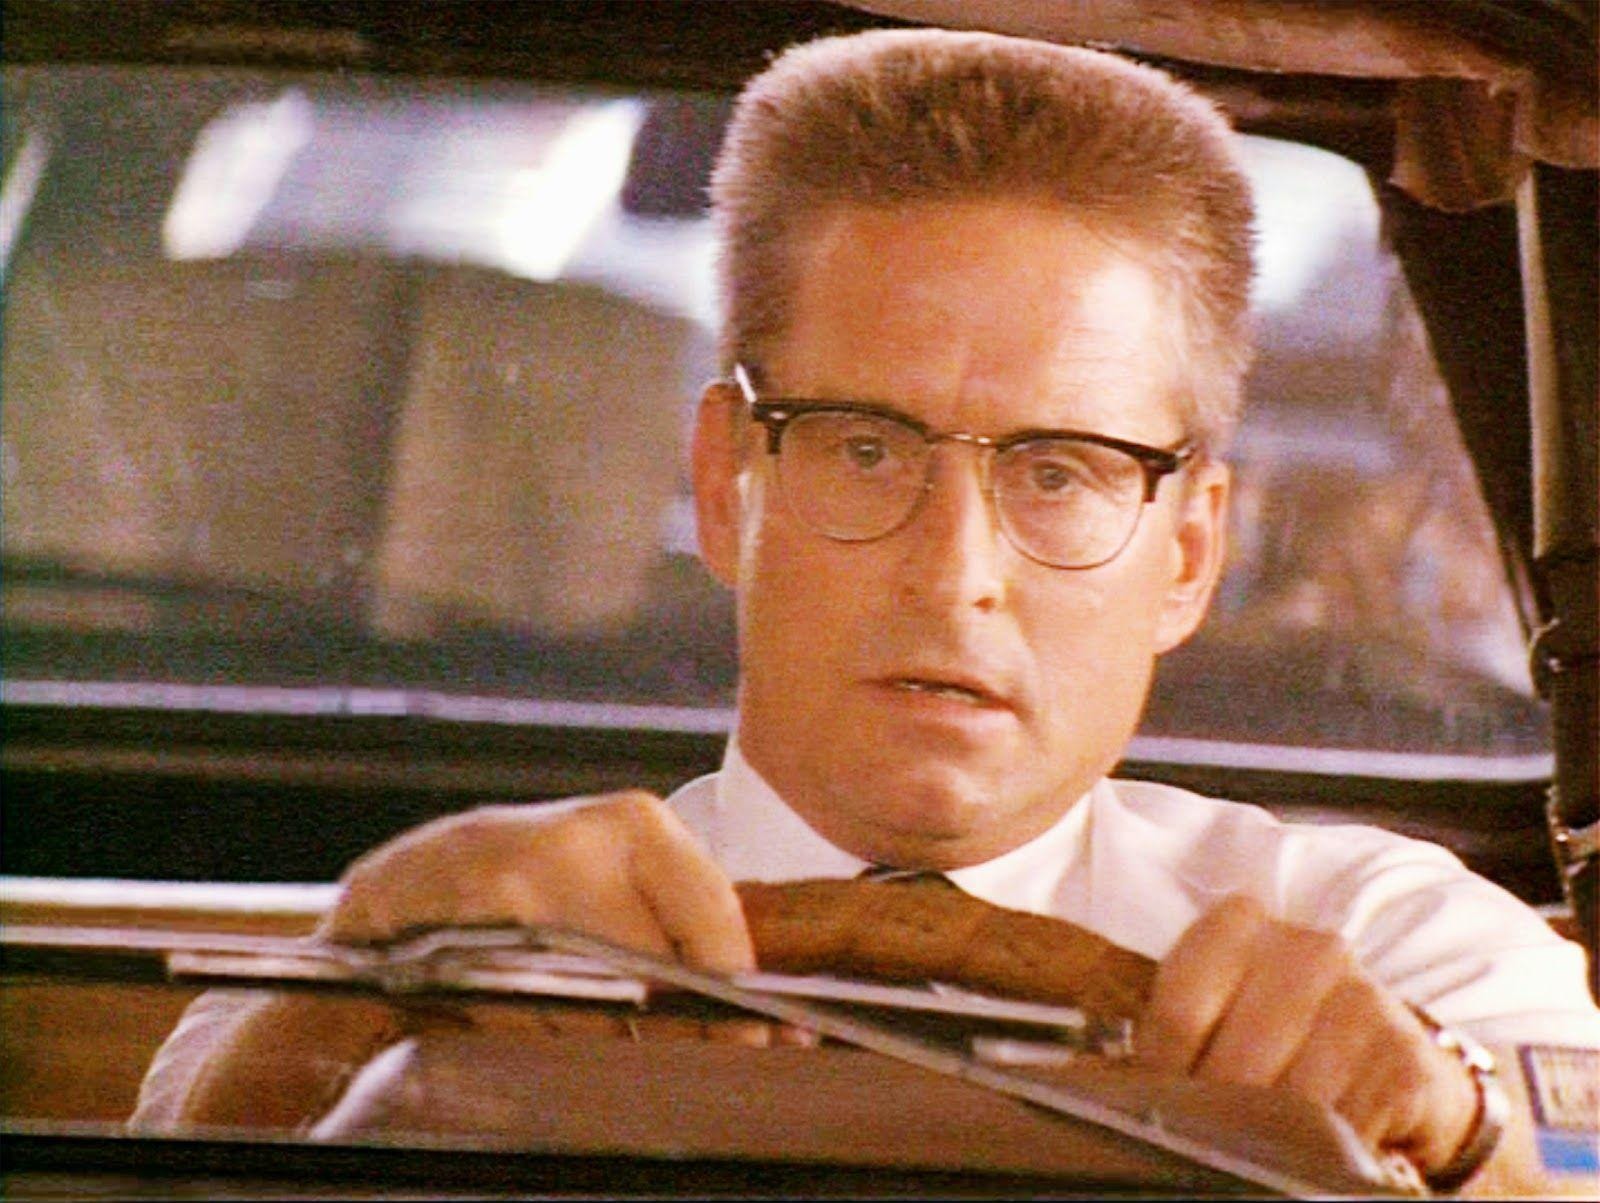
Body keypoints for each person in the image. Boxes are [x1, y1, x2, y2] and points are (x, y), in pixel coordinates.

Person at [133, 29, 1599, 1190]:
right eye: (865, 449)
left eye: (1061, 471)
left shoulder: (1397, 953)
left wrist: (1454, 1130)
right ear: (728, 484)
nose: (952, 570)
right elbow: (169, 1161)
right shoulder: (477, 937)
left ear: (1188, 552)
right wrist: (357, 979)